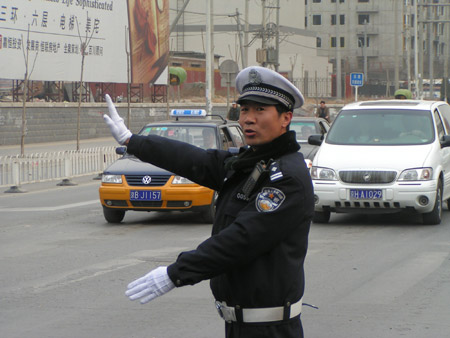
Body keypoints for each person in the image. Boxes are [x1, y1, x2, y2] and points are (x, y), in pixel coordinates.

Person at [103, 66, 314, 338]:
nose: (248, 119)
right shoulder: (252, 163)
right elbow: (195, 160)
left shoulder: (286, 178)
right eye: (245, 110)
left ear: (286, 118)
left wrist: (175, 274)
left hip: (269, 331)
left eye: (260, 111)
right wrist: (132, 141)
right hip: (240, 326)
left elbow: (241, 239)